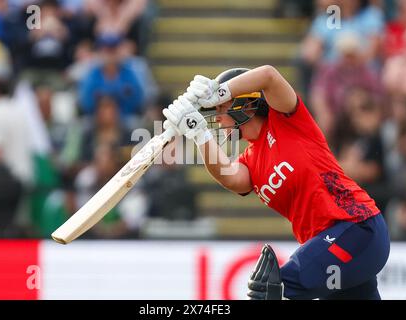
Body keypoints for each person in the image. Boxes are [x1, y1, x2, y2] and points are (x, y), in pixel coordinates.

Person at [162, 66, 390, 300]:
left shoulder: (286, 119)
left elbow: (269, 76)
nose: (218, 118)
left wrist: (220, 91)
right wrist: (199, 134)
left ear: (243, 103)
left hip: (357, 228)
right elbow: (228, 176)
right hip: (334, 247)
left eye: (221, 108)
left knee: (270, 289)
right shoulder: (250, 161)